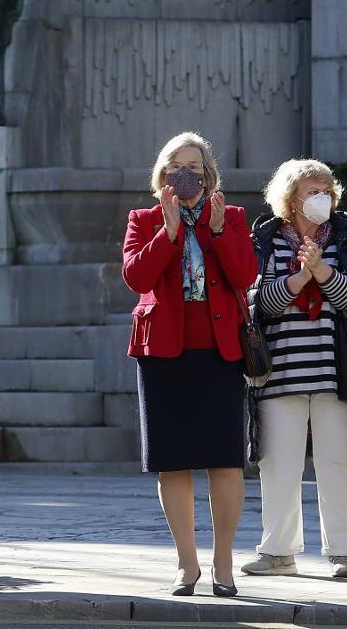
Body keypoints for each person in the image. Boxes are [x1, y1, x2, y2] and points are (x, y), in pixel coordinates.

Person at [242, 160, 347, 580]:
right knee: (278, 463)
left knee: (339, 462)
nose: (323, 198)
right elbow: (255, 305)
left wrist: (323, 272)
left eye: (327, 191)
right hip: (278, 373)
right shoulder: (263, 240)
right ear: (291, 198)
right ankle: (278, 551)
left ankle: (342, 552)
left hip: (339, 373)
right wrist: (300, 278)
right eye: (313, 191)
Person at [121, 132, 258, 598]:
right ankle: (186, 564)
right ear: (163, 177)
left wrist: (217, 232)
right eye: (177, 167)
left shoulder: (232, 217)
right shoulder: (143, 219)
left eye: (195, 169)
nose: (187, 175)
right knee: (172, 461)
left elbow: (245, 275)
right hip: (163, 351)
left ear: (209, 176)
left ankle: (223, 561)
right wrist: (169, 230)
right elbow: (136, 277)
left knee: (225, 459)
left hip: (220, 351)